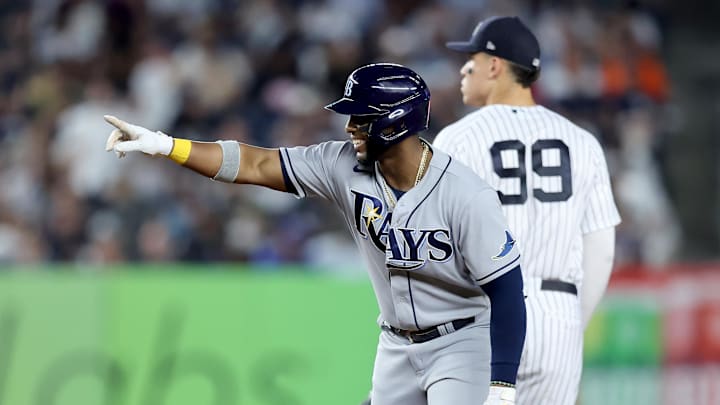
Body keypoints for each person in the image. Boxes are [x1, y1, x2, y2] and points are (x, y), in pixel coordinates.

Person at [104, 63, 526, 405]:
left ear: (396, 123)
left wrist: (502, 388)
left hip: (461, 343)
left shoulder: (465, 195)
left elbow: (507, 290)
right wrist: (165, 145)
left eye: (361, 118)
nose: (349, 127)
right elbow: (255, 164)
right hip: (396, 345)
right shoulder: (342, 165)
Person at [432, 16, 622, 405]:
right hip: (559, 313)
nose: (464, 68)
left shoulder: (458, 138)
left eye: (472, 58)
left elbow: (434, 247)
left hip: (484, 315)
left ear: (495, 65)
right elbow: (601, 251)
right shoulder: (582, 141)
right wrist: (570, 322)